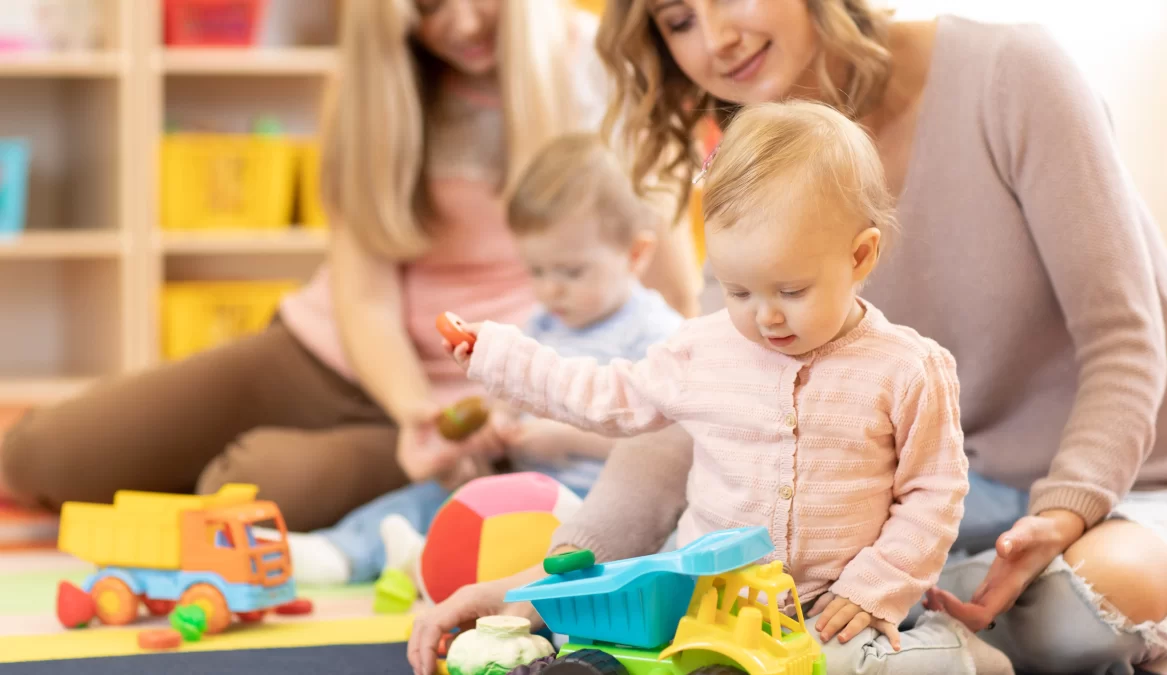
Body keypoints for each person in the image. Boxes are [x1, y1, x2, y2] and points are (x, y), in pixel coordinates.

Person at [409, 2, 1167, 674]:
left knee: (1073, 610)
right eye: (678, 20)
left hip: (1130, 486)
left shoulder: (1008, 72)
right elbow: (691, 419)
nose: (714, 38)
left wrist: (1062, 515)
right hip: (925, 515)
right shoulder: (760, 171)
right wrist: (544, 586)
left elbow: (1126, 346)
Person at [0, 0, 701, 533]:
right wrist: (409, 410)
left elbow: (664, 259)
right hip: (338, 357)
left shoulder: (591, 65)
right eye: (425, 6)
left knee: (242, 489)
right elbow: (364, 299)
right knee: (39, 456)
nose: (460, 23)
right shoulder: (371, 84)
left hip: (489, 395)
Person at [442, 101, 1022, 675]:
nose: (765, 316)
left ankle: (955, 651)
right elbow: (606, 395)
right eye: (737, 290)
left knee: (844, 666)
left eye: (790, 291)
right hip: (710, 605)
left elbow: (933, 493)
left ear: (859, 255)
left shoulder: (908, 368)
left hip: (836, 611)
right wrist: (498, 355)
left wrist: (876, 587)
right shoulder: (702, 349)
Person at [280, 132, 685, 585]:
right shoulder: (544, 324)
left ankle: (429, 564)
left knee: (551, 547)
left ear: (635, 255)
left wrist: (565, 439)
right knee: (439, 497)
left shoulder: (657, 334)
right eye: (535, 271)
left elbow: (668, 443)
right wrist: (495, 427)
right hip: (526, 487)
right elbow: (510, 398)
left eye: (571, 272)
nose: (551, 288)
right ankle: (343, 551)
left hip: (606, 504)